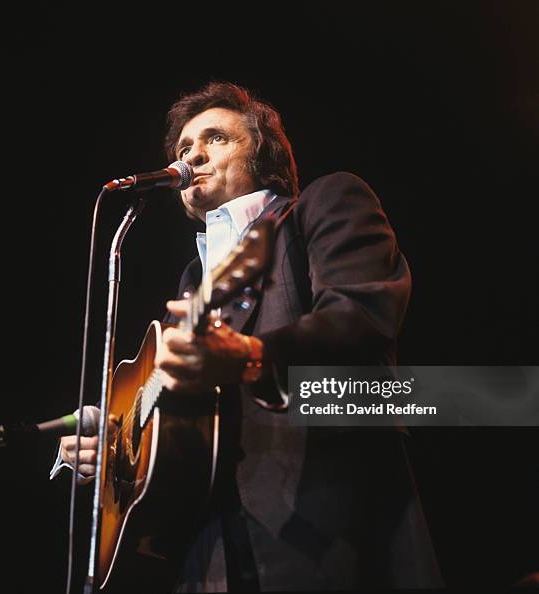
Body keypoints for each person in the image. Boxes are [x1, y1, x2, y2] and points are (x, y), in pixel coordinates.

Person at [54, 81, 443, 591]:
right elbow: (178, 429)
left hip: (324, 523)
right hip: (209, 551)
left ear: (262, 155)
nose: (192, 154)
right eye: (183, 148)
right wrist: (119, 451)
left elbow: (363, 315)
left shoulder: (323, 205)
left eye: (215, 138)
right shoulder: (193, 283)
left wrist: (253, 355)